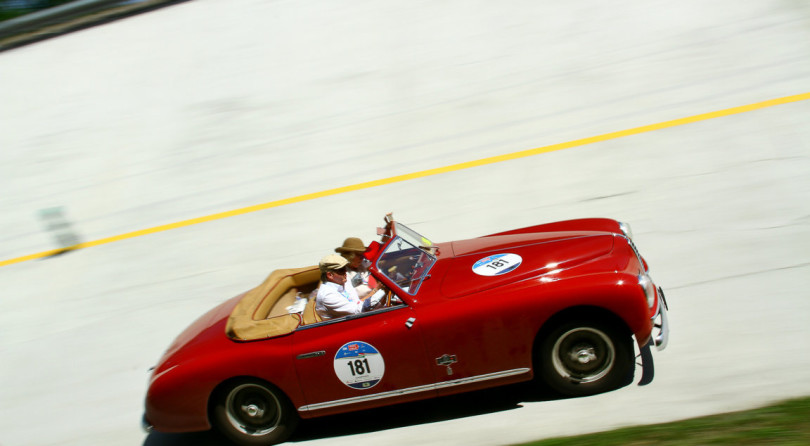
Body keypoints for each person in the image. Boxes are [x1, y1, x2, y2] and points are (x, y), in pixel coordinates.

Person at [315, 254, 383, 320]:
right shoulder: (327, 295)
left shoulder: (344, 281)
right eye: (341, 270)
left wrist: (377, 291)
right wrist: (381, 291)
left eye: (345, 268)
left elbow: (357, 302)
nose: (346, 272)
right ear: (330, 275)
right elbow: (358, 311)